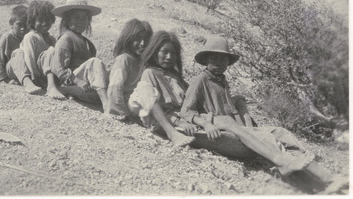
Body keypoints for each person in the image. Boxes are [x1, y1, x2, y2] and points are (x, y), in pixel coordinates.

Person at [179, 35, 348, 194]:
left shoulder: (222, 81)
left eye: (223, 59)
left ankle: (324, 177)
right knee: (267, 137)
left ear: (228, 63)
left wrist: (243, 112)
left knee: (281, 132)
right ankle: (302, 170)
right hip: (220, 128)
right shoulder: (199, 80)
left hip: (235, 127)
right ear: (206, 60)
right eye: (214, 58)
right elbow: (186, 112)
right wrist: (206, 124)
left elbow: (231, 106)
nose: (219, 62)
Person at [128, 31, 196, 147]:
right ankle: (172, 134)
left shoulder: (176, 77)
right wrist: (177, 121)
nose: (169, 57)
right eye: (164, 52)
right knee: (144, 89)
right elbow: (150, 104)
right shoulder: (150, 73)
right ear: (155, 53)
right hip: (156, 118)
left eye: (173, 53)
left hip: (179, 117)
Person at [50, 0, 110, 109]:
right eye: (76, 17)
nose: (81, 21)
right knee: (94, 62)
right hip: (72, 83)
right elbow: (58, 69)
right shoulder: (65, 39)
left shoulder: (87, 43)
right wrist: (78, 81)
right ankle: (106, 104)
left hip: (87, 84)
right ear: (67, 20)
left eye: (84, 18)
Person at [4, 0, 65, 99]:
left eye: (48, 20)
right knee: (18, 52)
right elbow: (29, 57)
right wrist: (34, 78)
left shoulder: (51, 39)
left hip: (40, 72)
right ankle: (27, 82)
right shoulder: (31, 36)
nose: (45, 23)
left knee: (51, 51)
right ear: (32, 21)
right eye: (40, 20)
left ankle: (51, 84)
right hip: (19, 68)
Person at [106, 18, 153, 121]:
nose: (142, 43)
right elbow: (115, 87)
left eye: (146, 40)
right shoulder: (124, 59)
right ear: (128, 39)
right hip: (128, 104)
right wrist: (120, 112)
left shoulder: (144, 62)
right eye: (138, 39)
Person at [0, 5, 27, 84]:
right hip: (12, 70)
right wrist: (3, 79)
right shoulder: (8, 37)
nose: (23, 28)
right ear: (11, 24)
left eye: (26, 25)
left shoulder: (29, 37)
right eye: (19, 25)